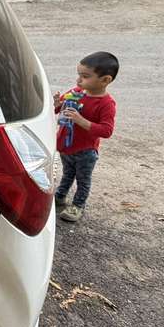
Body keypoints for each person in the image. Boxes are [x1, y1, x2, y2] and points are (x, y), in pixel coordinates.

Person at [53, 52, 118, 222]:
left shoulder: (106, 103)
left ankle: (78, 205)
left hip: (85, 151)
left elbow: (106, 130)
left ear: (105, 80)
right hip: (66, 146)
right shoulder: (76, 91)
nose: (78, 81)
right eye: (79, 75)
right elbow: (59, 108)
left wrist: (81, 121)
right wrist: (57, 103)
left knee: (83, 180)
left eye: (85, 76)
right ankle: (60, 196)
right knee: (67, 173)